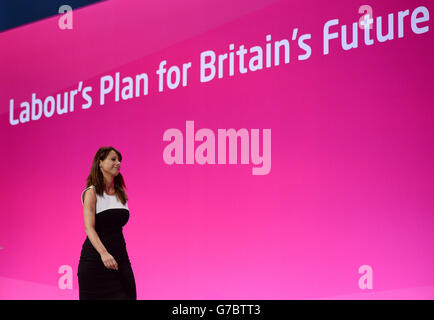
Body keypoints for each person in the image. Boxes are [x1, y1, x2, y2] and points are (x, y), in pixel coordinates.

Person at [77, 146, 137, 300]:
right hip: (95, 262)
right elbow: (89, 228)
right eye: (113, 159)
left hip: (120, 259)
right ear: (100, 162)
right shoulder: (91, 193)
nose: (118, 163)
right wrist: (104, 254)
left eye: (119, 160)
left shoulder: (121, 193)